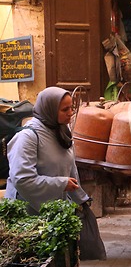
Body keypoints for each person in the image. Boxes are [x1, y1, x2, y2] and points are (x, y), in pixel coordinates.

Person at [5, 87, 90, 215]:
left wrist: (81, 199)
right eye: (65, 109)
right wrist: (61, 184)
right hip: (28, 217)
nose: (71, 113)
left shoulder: (62, 132)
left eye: (71, 107)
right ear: (50, 110)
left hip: (54, 212)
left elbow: (70, 170)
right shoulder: (27, 137)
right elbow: (22, 179)